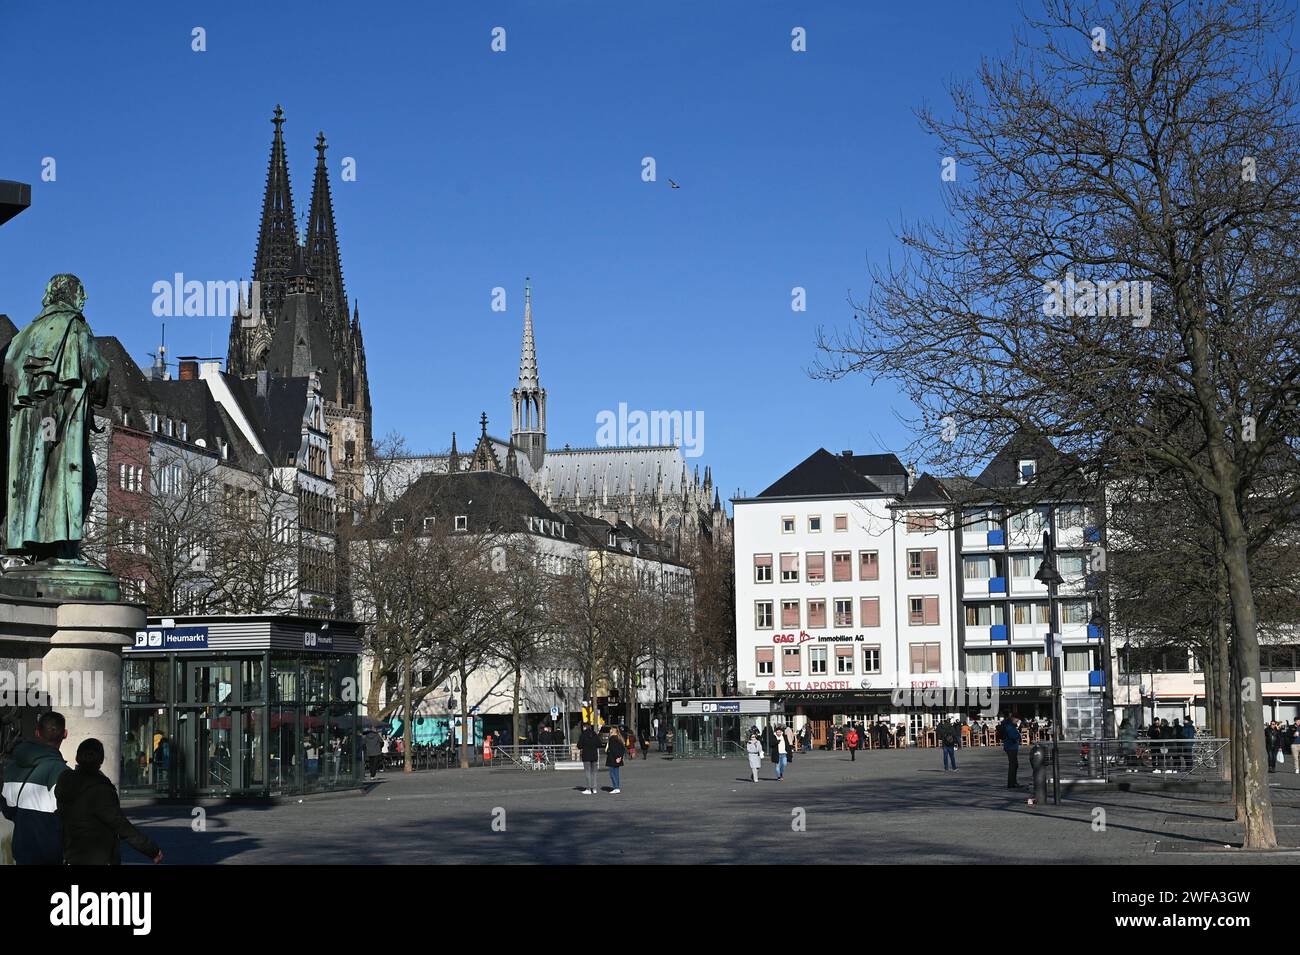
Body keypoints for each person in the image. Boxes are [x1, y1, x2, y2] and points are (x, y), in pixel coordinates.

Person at [56, 739, 162, 866]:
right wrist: (151, 849)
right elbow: (120, 825)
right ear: (100, 761)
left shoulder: (66, 781)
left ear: (77, 757)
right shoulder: (100, 789)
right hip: (97, 856)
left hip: (71, 855)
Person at [1, 711, 69, 865]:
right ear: (65, 734)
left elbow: (7, 810)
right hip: (51, 854)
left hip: (21, 853)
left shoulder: (11, 768)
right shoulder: (62, 773)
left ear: (37, 732)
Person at [578, 722, 601, 795]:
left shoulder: (583, 735)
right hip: (594, 755)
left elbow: (579, 745)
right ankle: (594, 788)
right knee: (594, 772)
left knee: (587, 772)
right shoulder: (594, 734)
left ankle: (588, 788)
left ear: (584, 727)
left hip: (586, 755)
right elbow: (599, 744)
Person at [1001, 715, 1022, 789]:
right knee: (1013, 765)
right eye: (1016, 720)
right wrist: (1018, 736)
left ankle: (1013, 782)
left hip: (1011, 746)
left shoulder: (1010, 725)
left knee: (1015, 765)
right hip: (1011, 746)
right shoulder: (1009, 726)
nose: (1017, 721)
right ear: (1013, 718)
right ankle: (1011, 783)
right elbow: (1012, 735)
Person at [605, 727, 626, 794]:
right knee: (616, 773)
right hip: (618, 758)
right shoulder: (619, 738)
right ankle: (617, 787)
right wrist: (620, 757)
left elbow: (613, 749)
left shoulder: (612, 738)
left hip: (613, 758)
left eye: (611, 729)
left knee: (612, 773)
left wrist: (617, 757)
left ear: (614, 731)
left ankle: (616, 787)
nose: (609, 730)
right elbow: (622, 749)